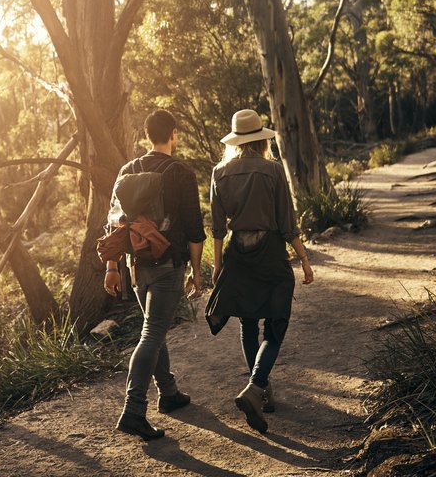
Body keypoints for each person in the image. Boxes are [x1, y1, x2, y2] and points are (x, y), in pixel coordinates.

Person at [205, 109, 314, 435]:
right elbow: (286, 223)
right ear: (260, 139)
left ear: (237, 141)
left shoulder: (219, 172)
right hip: (269, 254)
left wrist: (219, 266)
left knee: (248, 322)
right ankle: (255, 388)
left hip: (237, 254)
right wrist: (304, 260)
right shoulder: (272, 170)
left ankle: (262, 391)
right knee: (276, 324)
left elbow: (217, 228)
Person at [105, 109, 206, 441]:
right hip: (167, 266)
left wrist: (111, 267)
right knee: (151, 333)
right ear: (173, 134)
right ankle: (133, 411)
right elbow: (194, 228)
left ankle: (169, 392)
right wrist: (197, 271)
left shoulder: (127, 170)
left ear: (147, 135)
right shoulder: (181, 172)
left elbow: (113, 223)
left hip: (136, 268)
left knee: (155, 327)